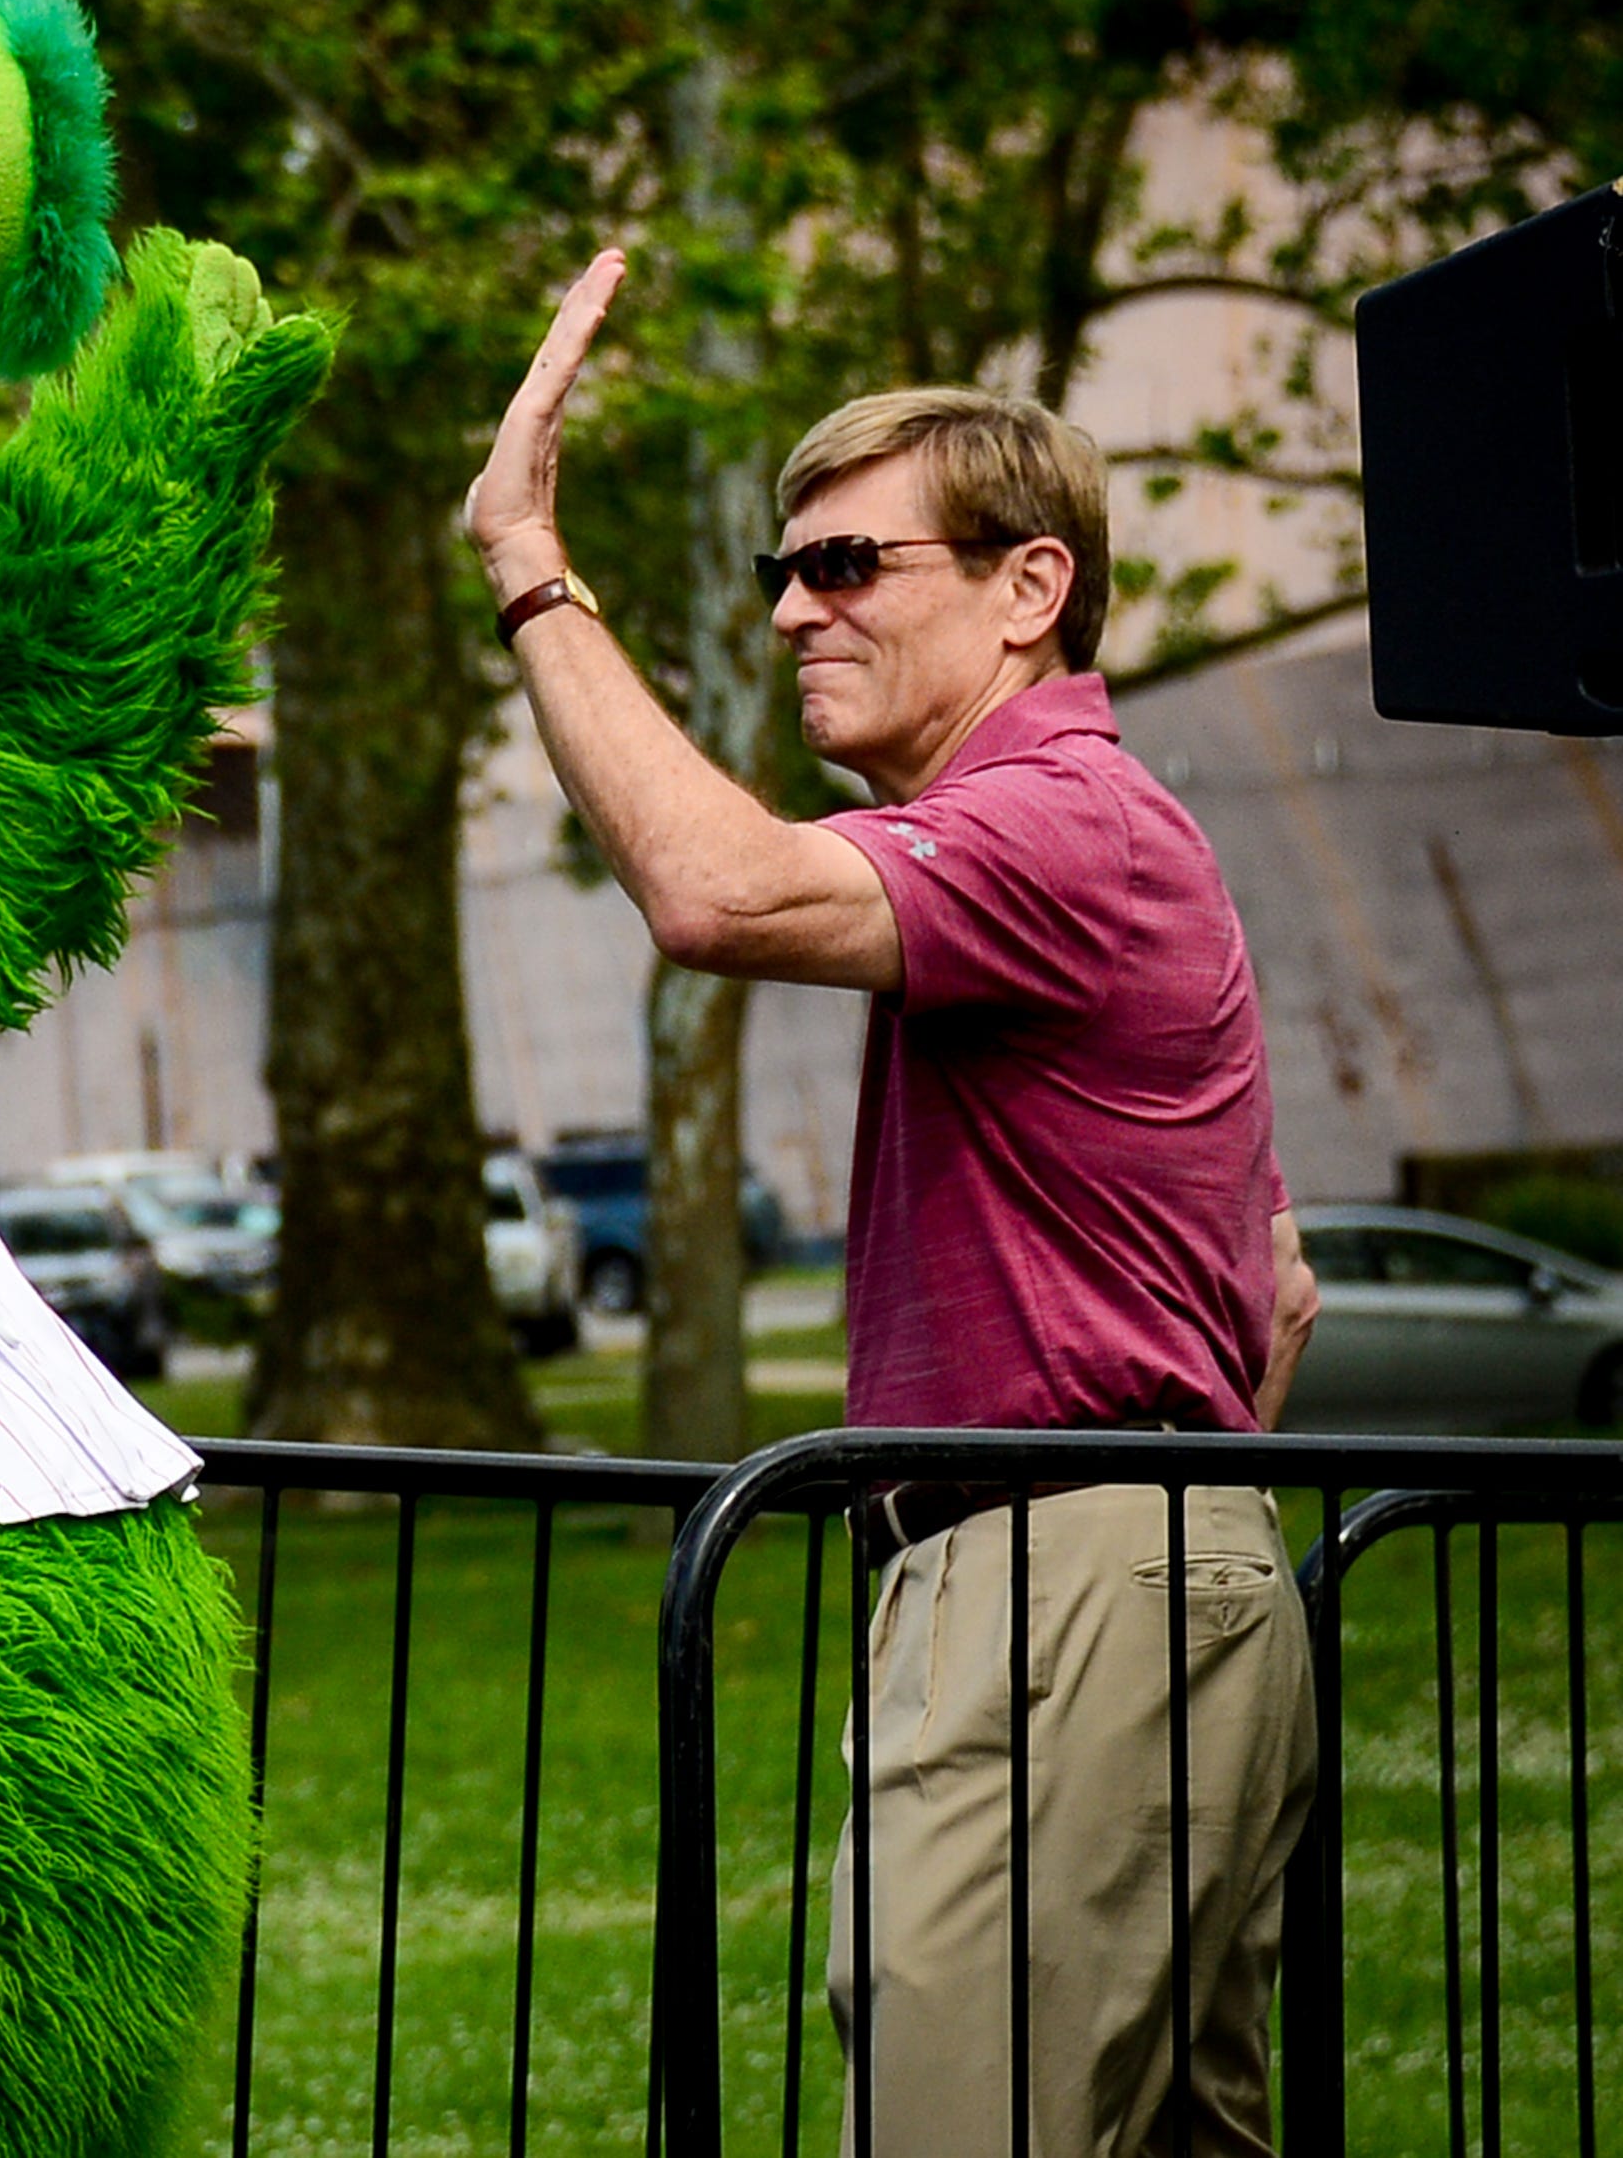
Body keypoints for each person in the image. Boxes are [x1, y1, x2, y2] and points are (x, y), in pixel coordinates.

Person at [467, 250, 1321, 2157]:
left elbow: (716, 891)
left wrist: (532, 560)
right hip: (1115, 1568)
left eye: (847, 564)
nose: (790, 610)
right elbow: (1279, 1282)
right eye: (785, 568)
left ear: (1033, 589)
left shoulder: (1059, 820)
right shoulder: (1075, 837)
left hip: (1069, 1584)